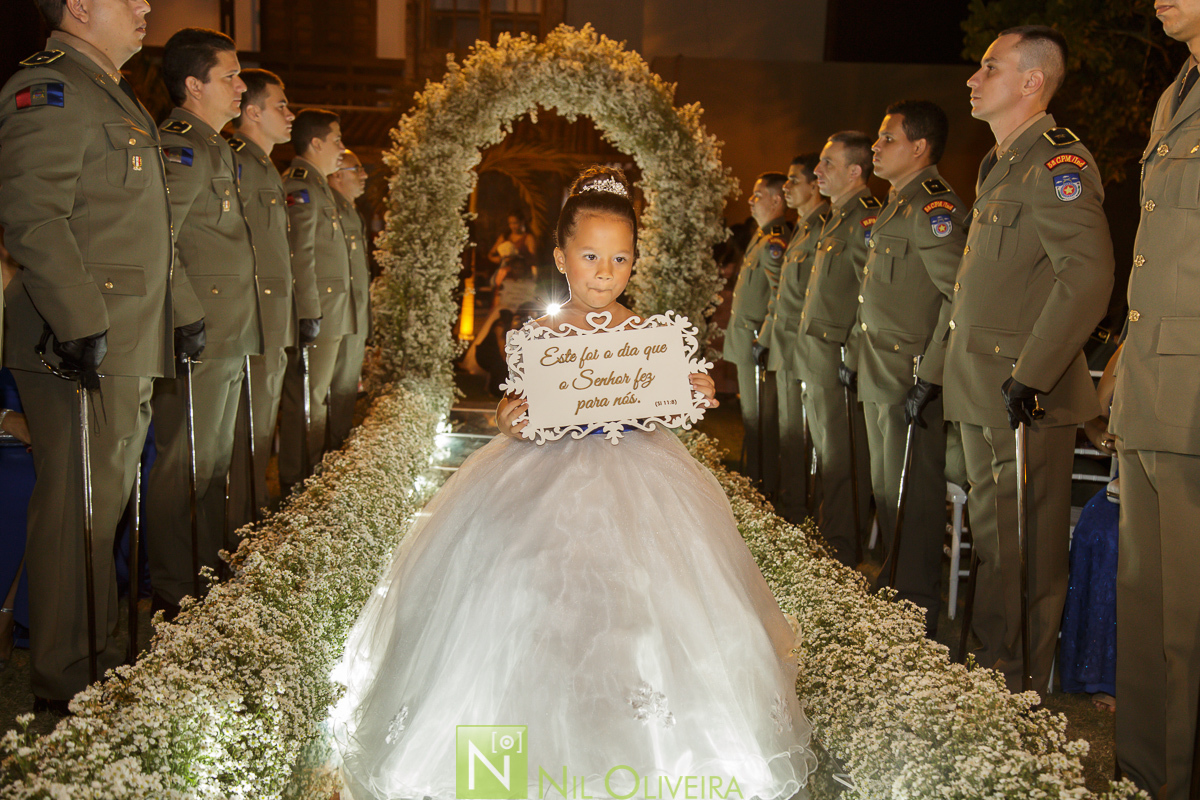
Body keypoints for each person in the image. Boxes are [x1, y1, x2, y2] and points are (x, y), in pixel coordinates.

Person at [331, 167, 816, 799]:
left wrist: (689, 391)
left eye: (620, 258)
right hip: (542, 481)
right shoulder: (542, 337)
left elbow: (661, 400)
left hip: (641, 480)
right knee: (526, 601)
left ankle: (645, 759)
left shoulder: (646, 338)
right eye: (590, 256)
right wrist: (513, 416)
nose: (605, 270)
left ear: (634, 263)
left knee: (642, 610)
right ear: (562, 258)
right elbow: (518, 407)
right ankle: (497, 774)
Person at [0, 0, 194, 708]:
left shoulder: (106, 91)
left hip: (124, 334)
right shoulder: (47, 89)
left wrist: (180, 313)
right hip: (76, 338)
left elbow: (139, 227)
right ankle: (64, 676)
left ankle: (99, 655)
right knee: (73, 509)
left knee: (101, 507)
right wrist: (79, 318)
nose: (145, 6)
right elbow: (31, 214)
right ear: (80, 6)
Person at [946, 26, 1114, 694]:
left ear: (1031, 82)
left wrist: (1033, 374)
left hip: (1024, 394)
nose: (973, 78)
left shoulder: (1054, 163)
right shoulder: (1001, 163)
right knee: (996, 542)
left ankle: (1018, 687)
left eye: (990, 67)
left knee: (1027, 548)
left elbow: (1088, 275)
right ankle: (995, 666)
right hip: (984, 384)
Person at [1108, 1, 1200, 794]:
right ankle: (1140, 772)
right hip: (1153, 382)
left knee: (1187, 617)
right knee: (1144, 603)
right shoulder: (1178, 93)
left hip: (1195, 391)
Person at [147, 28, 261, 618]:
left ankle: (207, 567)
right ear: (194, 85)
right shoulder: (180, 145)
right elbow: (158, 237)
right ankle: (171, 586)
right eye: (231, 76)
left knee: (212, 462)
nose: (241, 86)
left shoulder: (216, 146)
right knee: (181, 466)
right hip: (199, 332)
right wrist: (185, 314)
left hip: (228, 330)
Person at [845, 100, 965, 635]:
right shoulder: (898, 205)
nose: (876, 148)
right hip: (879, 367)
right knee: (886, 485)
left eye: (886, 139)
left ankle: (915, 604)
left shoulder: (934, 208)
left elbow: (956, 293)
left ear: (918, 148)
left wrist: (933, 373)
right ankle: (895, 585)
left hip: (910, 372)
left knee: (912, 493)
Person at [224, 68, 310, 524]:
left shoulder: (263, 167)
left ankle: (249, 525)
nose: (290, 114)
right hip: (245, 319)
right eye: (280, 105)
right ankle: (237, 533)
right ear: (252, 112)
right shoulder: (234, 160)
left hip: (268, 319)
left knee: (258, 438)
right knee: (243, 440)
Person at [799, 132, 878, 567]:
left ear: (854, 171)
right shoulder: (836, 217)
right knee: (828, 455)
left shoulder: (864, 218)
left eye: (828, 163)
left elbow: (870, 292)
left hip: (839, 356)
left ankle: (842, 551)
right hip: (820, 353)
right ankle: (829, 539)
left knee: (844, 457)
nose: (818, 171)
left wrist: (853, 350)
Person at [277, 109, 350, 494]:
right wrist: (308, 310)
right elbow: (299, 254)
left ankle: (308, 478)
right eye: (336, 139)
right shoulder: (301, 186)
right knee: (307, 400)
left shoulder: (321, 188)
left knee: (317, 400)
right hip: (318, 311)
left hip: (330, 312)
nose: (341, 147)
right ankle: (296, 483)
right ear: (316, 143)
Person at [758, 154, 827, 524]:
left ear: (814, 186)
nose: (786, 189)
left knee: (803, 434)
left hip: (805, 345)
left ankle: (801, 509)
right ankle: (793, 504)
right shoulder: (802, 228)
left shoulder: (820, 227)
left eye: (793, 181)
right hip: (788, 343)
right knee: (789, 432)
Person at [726, 172, 791, 493]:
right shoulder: (762, 235)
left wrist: (763, 338)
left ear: (776, 200)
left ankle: (762, 489)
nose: (751, 201)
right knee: (752, 422)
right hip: (746, 338)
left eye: (757, 195)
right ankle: (755, 485)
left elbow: (781, 293)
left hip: (757, 341)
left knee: (761, 424)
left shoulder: (776, 238)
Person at [326, 148, 371, 450]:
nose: (364, 175)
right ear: (338, 174)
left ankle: (332, 459)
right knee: (325, 400)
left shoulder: (348, 210)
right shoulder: (327, 208)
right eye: (357, 169)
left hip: (352, 317)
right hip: (333, 318)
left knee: (343, 398)